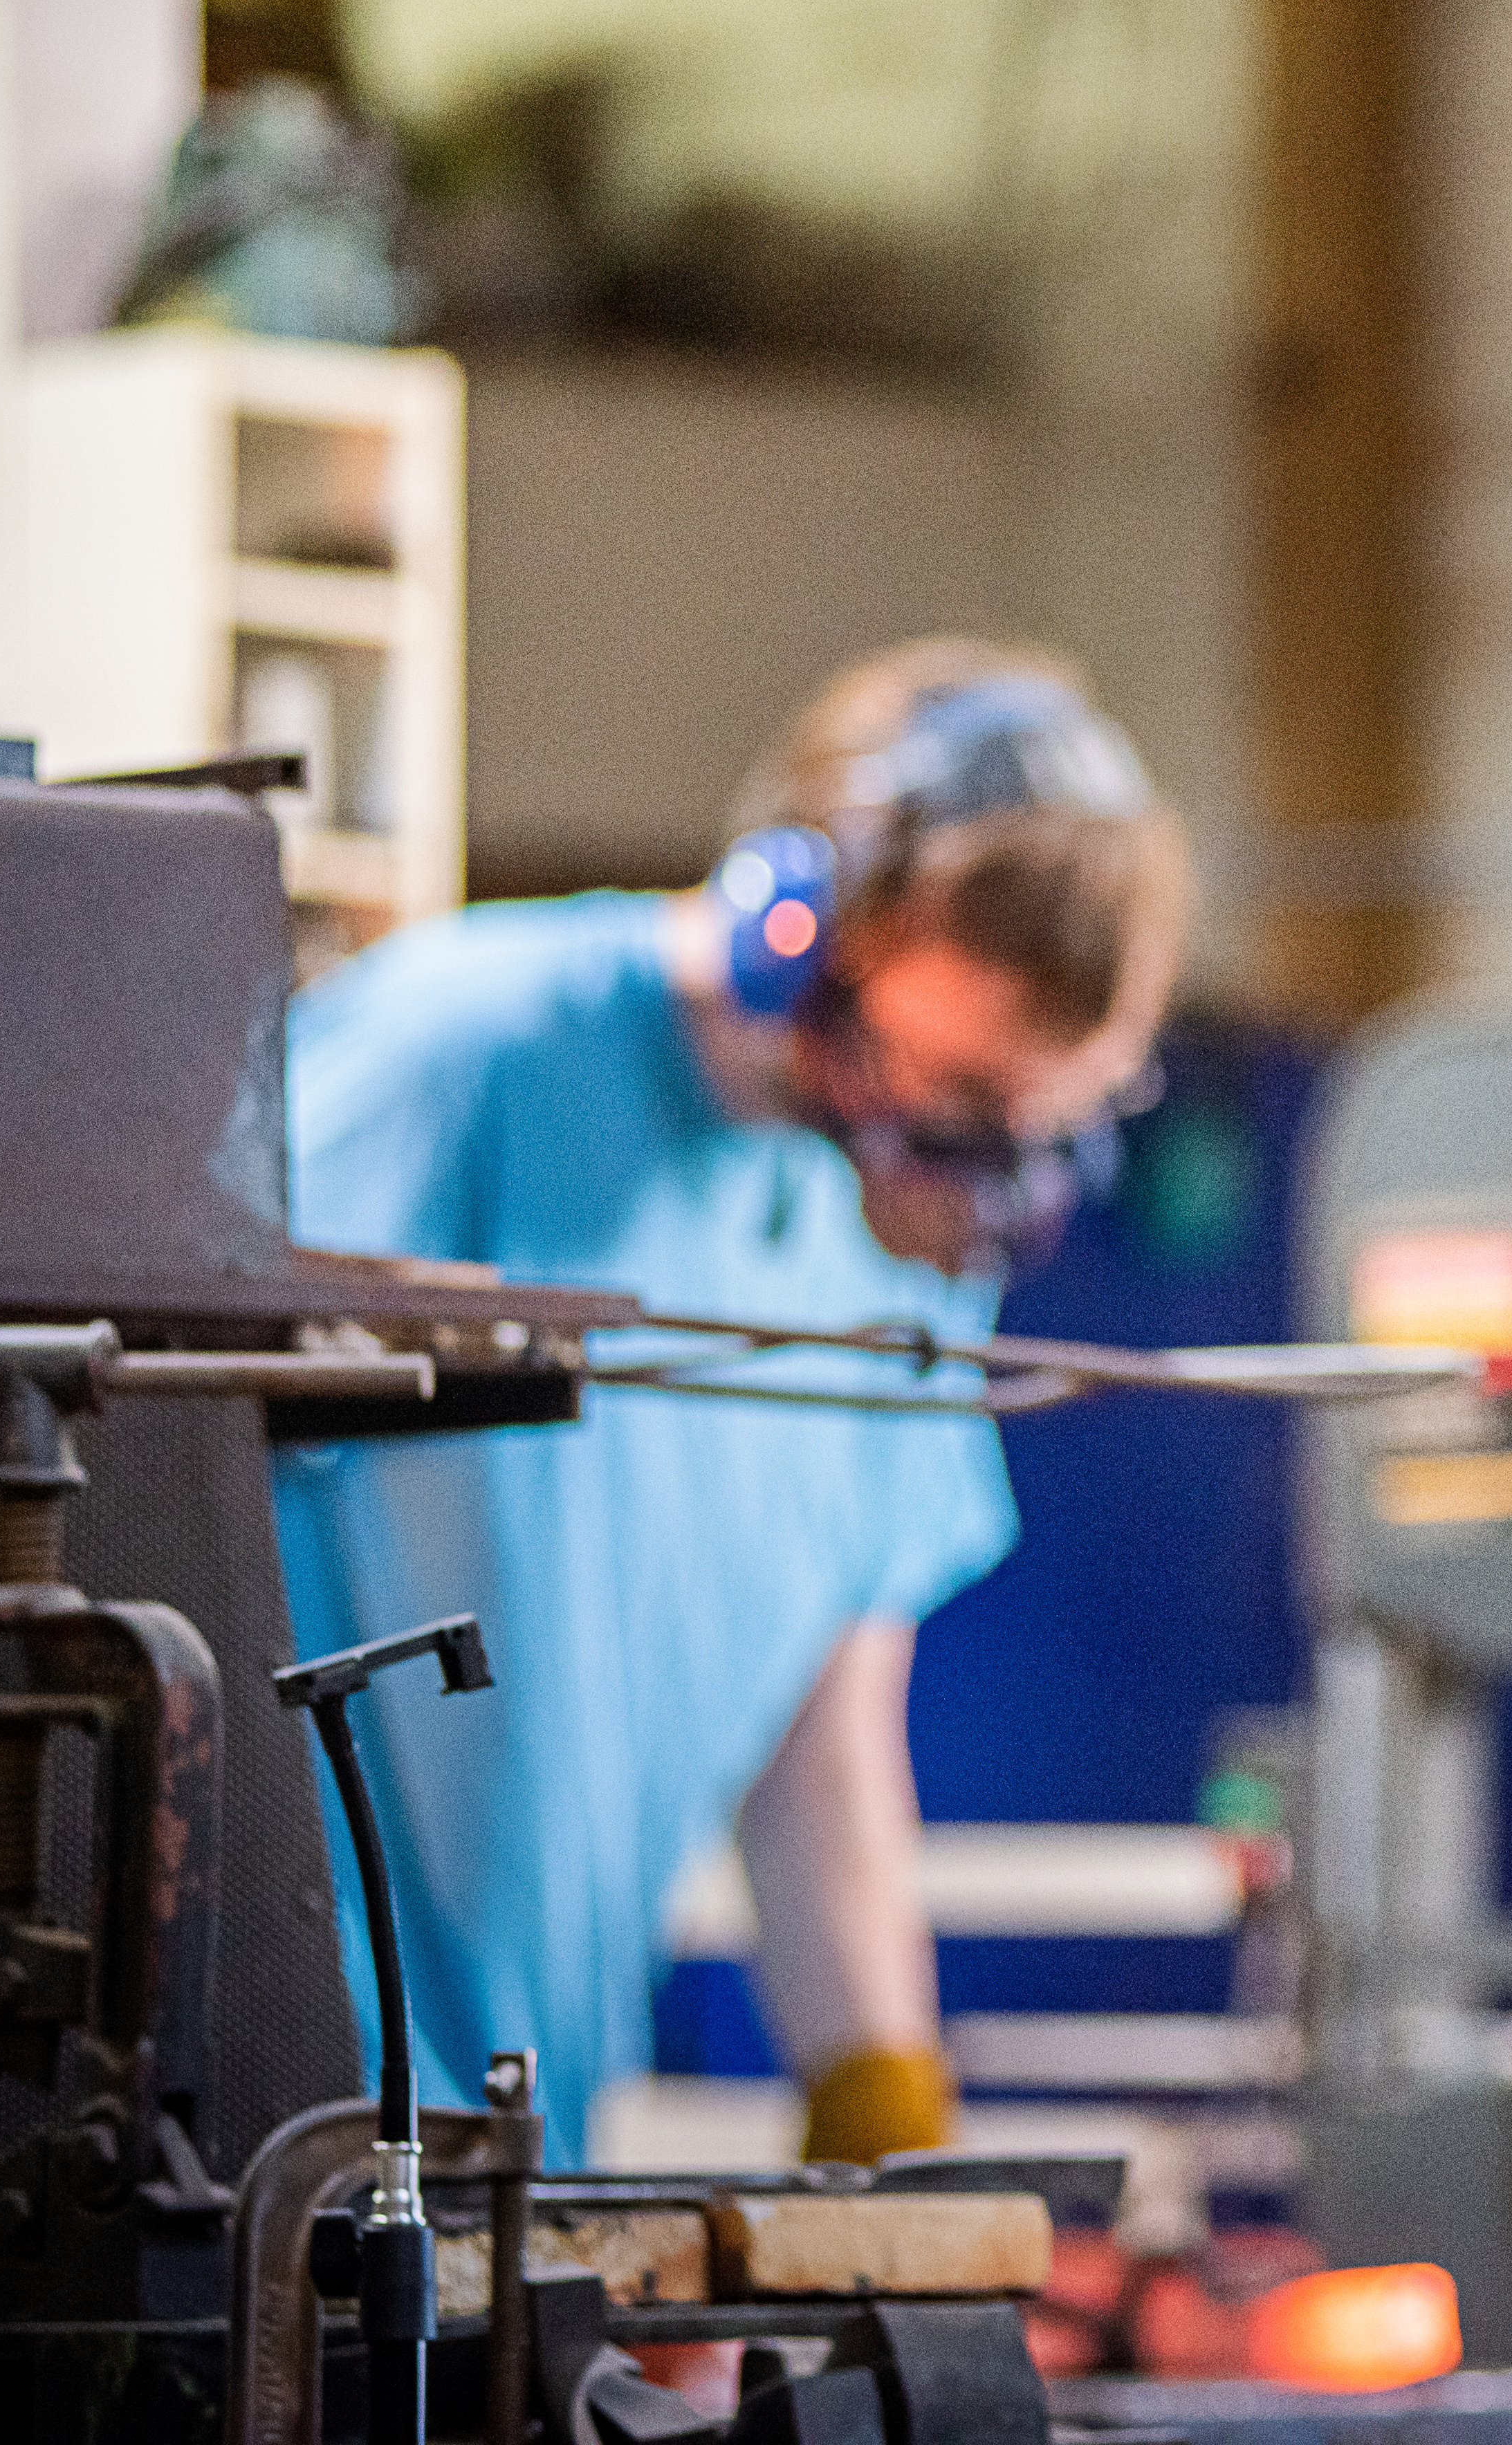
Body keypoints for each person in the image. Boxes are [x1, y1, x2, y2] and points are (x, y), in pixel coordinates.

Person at [274, 639, 1188, 2166]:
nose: (976, 1188)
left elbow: (822, 1735)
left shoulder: (884, 1232)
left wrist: (887, 2145)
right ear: (792, 931)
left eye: (1037, 1129)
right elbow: (146, 1488)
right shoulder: (455, 1057)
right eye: (956, 1106)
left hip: (522, 2135)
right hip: (278, 2091)